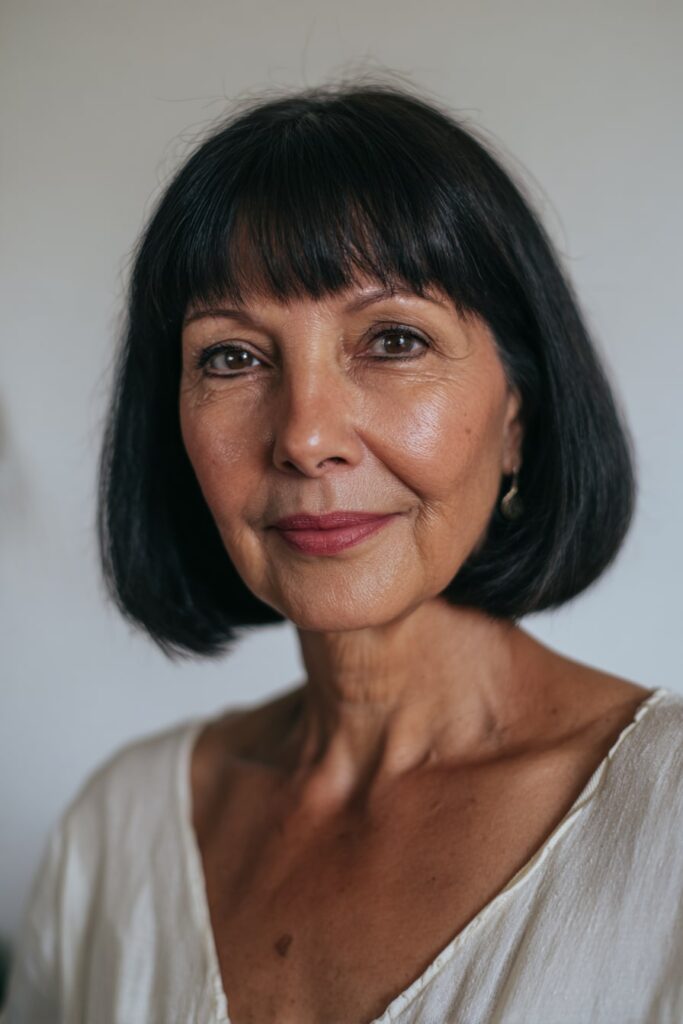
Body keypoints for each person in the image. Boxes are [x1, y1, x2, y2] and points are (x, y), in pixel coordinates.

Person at [4, 77, 683, 1024]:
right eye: (232, 356)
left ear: (518, 418)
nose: (304, 434)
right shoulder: (117, 836)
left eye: (393, 339)